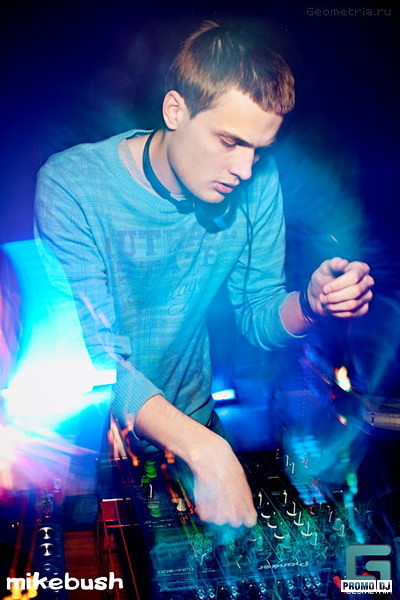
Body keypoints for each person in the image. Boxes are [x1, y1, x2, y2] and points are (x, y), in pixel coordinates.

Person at [34, 20, 374, 528]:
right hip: (94, 452)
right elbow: (99, 359)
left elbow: (259, 313)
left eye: (258, 149)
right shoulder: (72, 186)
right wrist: (205, 450)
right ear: (175, 110)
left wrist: (311, 303)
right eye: (229, 141)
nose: (245, 168)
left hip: (198, 428)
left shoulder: (257, 183)